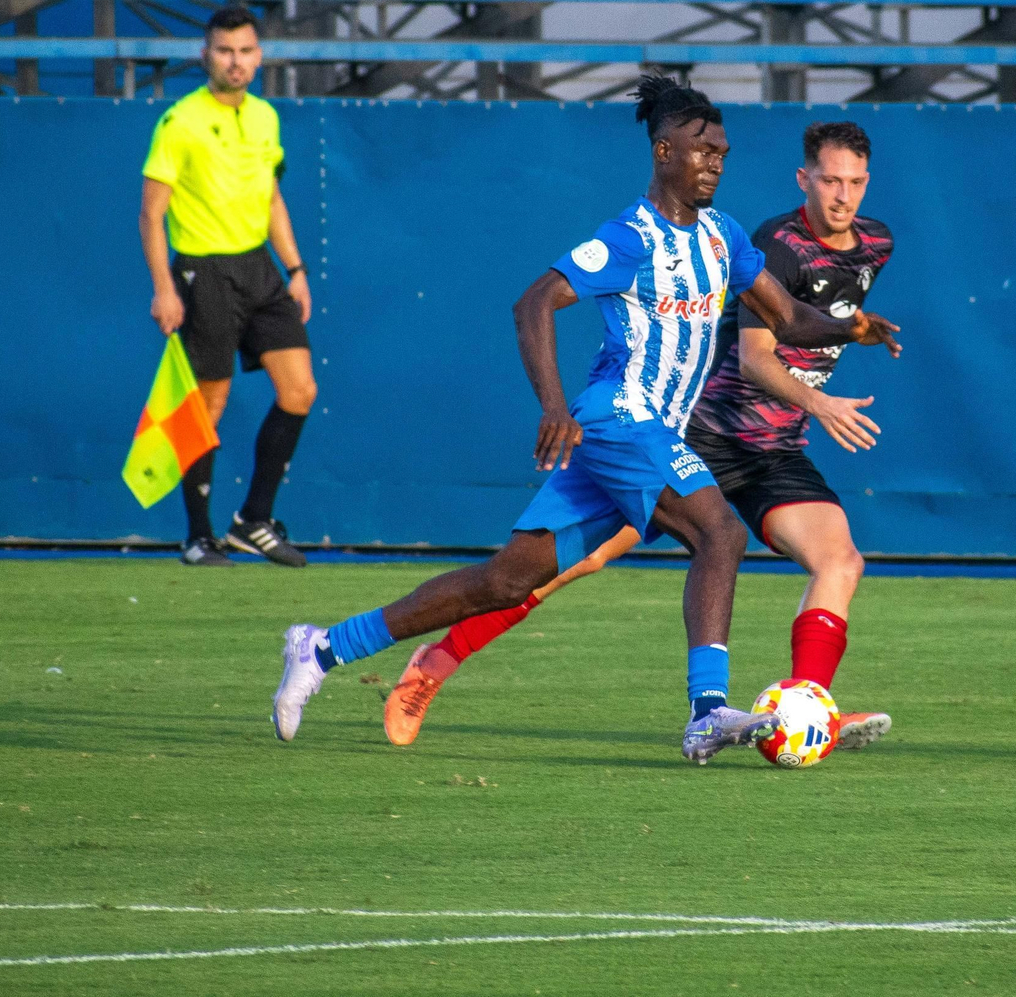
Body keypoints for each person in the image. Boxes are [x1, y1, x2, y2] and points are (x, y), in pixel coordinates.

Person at [271, 75, 901, 764]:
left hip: (650, 431)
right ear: (663, 153)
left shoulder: (722, 237)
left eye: (722, 152)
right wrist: (552, 405)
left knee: (508, 580)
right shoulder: (630, 237)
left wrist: (850, 327)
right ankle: (707, 711)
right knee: (719, 532)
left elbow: (791, 317)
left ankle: (325, 646)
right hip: (619, 420)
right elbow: (533, 302)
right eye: (701, 151)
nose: (715, 163)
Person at [139, 5, 316, 568]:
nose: (235, 62)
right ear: (205, 56)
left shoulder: (265, 117)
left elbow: (270, 198)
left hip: (259, 269)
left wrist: (295, 269)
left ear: (258, 57)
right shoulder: (180, 121)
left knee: (300, 390)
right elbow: (151, 214)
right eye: (224, 51)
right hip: (204, 271)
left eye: (244, 52)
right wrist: (165, 287)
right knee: (208, 405)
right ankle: (197, 536)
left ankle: (252, 521)